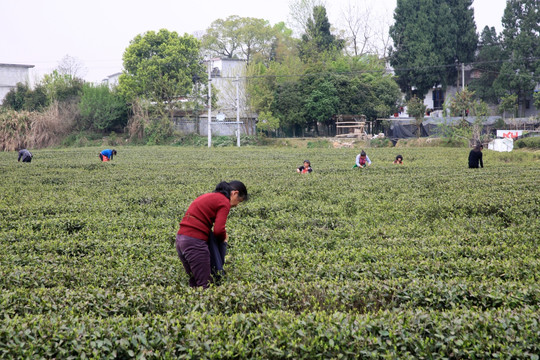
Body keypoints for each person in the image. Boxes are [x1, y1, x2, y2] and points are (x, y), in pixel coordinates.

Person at [176, 181, 248, 289]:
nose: (236, 205)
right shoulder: (224, 202)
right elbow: (219, 230)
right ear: (234, 193)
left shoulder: (209, 196)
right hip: (194, 242)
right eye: (239, 200)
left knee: (195, 284)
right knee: (205, 286)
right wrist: (224, 239)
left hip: (181, 240)